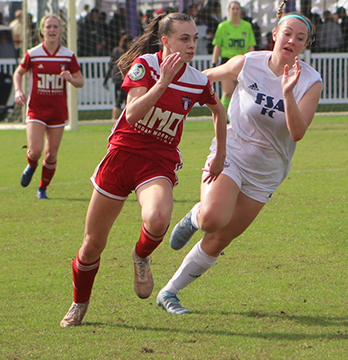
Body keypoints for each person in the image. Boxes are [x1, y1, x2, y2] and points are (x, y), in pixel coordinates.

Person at [59, 12, 227, 327]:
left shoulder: (197, 80)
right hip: (122, 156)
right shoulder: (146, 66)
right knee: (93, 243)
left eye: (194, 39)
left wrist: (221, 153)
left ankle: (141, 256)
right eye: (184, 39)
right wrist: (163, 81)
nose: (192, 45)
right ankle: (79, 303)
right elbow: (133, 113)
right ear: (165, 41)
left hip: (158, 161)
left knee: (159, 218)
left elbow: (219, 111)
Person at [155, 0, 322, 315]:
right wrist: (166, 81)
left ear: (305, 45)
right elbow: (204, 78)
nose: (292, 41)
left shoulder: (310, 82)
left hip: (267, 173)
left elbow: (298, 133)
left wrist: (287, 92)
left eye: (300, 38)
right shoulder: (248, 63)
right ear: (275, 34)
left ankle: (169, 292)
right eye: (288, 33)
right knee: (212, 220)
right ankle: (196, 216)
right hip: (231, 154)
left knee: (219, 240)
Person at [13, 15, 84, 199]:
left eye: (55, 27)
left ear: (60, 31)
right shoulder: (33, 53)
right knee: (35, 151)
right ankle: (31, 164)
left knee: (51, 155)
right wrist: (18, 91)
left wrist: (72, 79)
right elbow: (18, 73)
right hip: (36, 108)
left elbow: (80, 81)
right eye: (48, 27)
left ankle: (42, 189)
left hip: (57, 111)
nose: (52, 30)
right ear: (42, 31)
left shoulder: (68, 56)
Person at [212, 1, 257, 119]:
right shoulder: (223, 27)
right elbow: (218, 45)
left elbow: (250, 45)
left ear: (240, 11)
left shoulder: (246, 26)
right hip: (227, 61)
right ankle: (223, 117)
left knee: (241, 91)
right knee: (227, 91)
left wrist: (251, 62)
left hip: (242, 62)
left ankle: (238, 117)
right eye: (233, 9)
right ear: (229, 11)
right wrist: (214, 62)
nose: (235, 11)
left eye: (237, 9)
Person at [103, 34, 134, 120]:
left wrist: (106, 79)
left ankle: (117, 118)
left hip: (115, 77)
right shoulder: (128, 52)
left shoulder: (116, 50)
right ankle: (115, 118)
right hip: (123, 78)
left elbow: (111, 65)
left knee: (119, 98)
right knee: (122, 99)